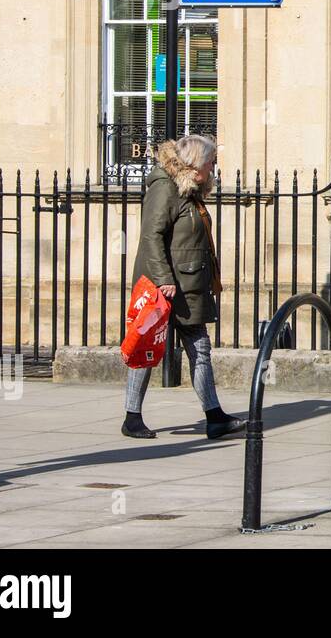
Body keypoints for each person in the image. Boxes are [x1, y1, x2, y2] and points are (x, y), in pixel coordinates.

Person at [122, 135, 244, 440]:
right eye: (211, 162)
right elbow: (152, 237)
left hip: (188, 284)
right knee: (147, 348)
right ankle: (132, 417)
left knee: (200, 348)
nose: (214, 167)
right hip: (165, 286)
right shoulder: (165, 188)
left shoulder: (189, 190)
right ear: (196, 163)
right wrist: (163, 280)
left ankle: (214, 416)